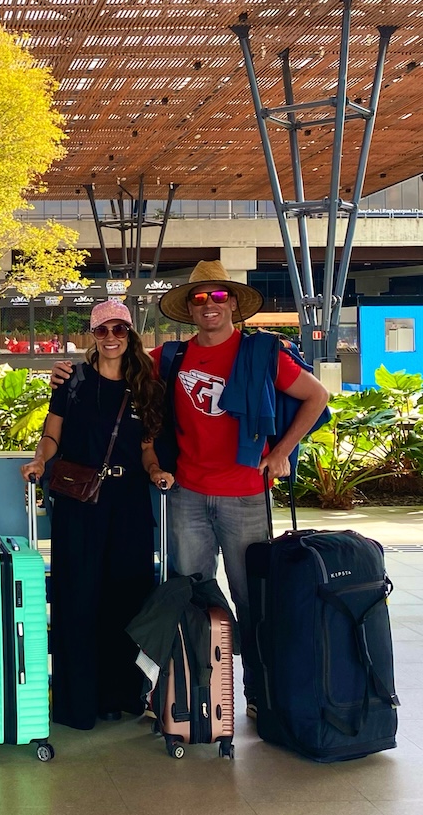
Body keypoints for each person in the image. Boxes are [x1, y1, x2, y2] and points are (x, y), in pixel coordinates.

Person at [51, 261, 329, 719]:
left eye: (218, 296)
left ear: (233, 303)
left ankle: (260, 694)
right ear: (190, 308)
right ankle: (195, 696)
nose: (209, 305)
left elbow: (317, 396)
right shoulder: (170, 357)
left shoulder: (262, 353)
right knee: (189, 599)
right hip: (187, 496)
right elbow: (115, 363)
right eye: (200, 298)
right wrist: (66, 373)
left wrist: (281, 452)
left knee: (251, 598)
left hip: (245, 494)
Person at [20, 299, 164, 730]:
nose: (111, 338)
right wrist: (39, 460)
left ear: (130, 335)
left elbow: (147, 447)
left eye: (119, 330)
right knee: (78, 597)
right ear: (93, 335)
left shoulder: (145, 386)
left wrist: (156, 471)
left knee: (126, 596)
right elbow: (52, 434)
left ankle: (119, 696)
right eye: (103, 330)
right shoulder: (72, 381)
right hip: (80, 501)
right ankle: (77, 702)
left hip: (129, 502)